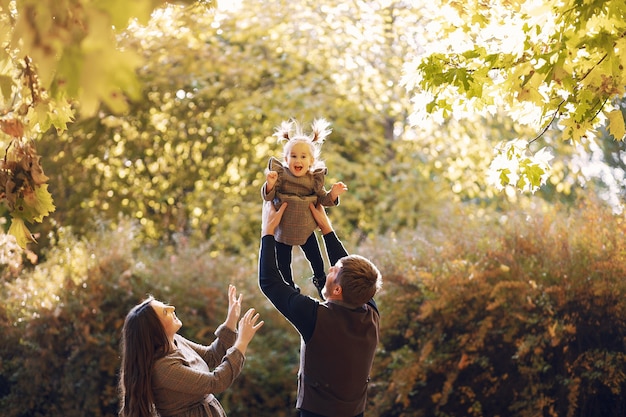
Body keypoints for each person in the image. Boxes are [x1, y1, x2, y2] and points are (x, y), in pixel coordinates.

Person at [258, 201, 383, 417]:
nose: (331, 267)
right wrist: (325, 227)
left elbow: (269, 281)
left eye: (335, 271)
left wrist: (267, 231)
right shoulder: (369, 310)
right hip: (355, 412)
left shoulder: (315, 317)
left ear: (336, 290)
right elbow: (350, 274)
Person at [118, 285, 264, 417]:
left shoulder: (176, 341)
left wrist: (231, 320)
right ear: (155, 329)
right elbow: (216, 382)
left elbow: (212, 356)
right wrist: (241, 343)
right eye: (165, 312)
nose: (172, 308)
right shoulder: (164, 368)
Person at [261, 118, 348, 297]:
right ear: (286, 159)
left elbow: (323, 199)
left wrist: (334, 193)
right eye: (293, 156)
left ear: (311, 161)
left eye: (302, 156)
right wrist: (270, 184)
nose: (297, 160)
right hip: (282, 231)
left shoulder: (313, 179)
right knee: (283, 263)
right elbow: (268, 196)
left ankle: (320, 280)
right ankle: (289, 285)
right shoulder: (281, 176)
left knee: (316, 259)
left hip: (306, 230)